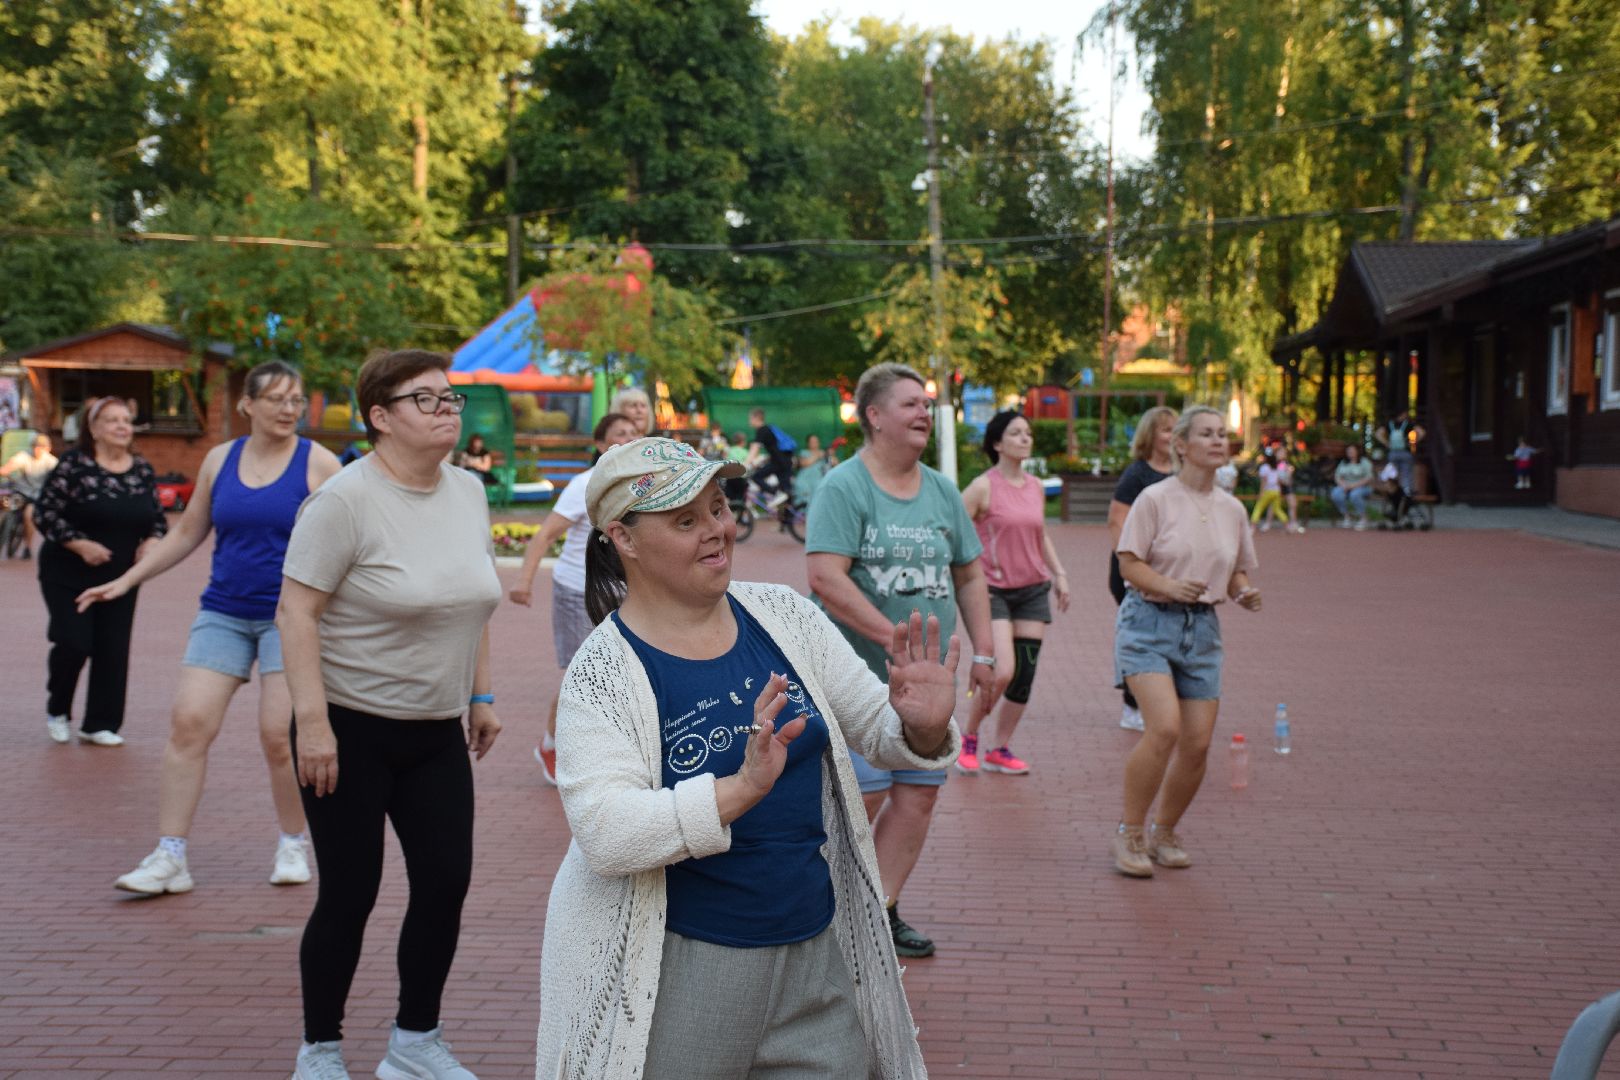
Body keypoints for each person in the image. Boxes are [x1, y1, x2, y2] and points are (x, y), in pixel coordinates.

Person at [535, 436, 960, 1079]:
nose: (717, 531)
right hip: (683, 969)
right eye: (685, 521)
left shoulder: (784, 616)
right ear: (623, 537)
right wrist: (736, 791)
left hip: (815, 955)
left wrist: (921, 727)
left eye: (718, 507)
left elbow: (875, 723)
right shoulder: (603, 673)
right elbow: (605, 832)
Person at [277, 349, 502, 1080]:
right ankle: (319, 1050)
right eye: (427, 400)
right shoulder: (344, 501)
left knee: (444, 884)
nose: (447, 411)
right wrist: (313, 724)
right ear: (380, 416)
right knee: (351, 892)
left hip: (435, 732)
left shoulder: (468, 491)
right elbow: (296, 611)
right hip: (348, 730)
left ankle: (415, 1043)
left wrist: (480, 694)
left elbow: (473, 601)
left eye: (452, 398)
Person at [76, 363, 341, 895]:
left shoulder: (320, 464)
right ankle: (170, 856)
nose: (289, 409)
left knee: (278, 736)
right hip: (223, 611)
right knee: (188, 723)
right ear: (247, 405)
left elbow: (352, 542)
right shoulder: (222, 459)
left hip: (288, 620)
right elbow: (188, 533)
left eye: (296, 399)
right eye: (277, 399)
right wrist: (127, 580)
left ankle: (293, 842)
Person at [806, 361, 994, 959]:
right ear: (874, 415)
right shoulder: (845, 486)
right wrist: (893, 641)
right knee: (862, 799)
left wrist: (986, 650)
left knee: (919, 792)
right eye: (910, 403)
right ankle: (829, 915)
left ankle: (881, 911)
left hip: (929, 684)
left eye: (926, 404)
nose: (923, 413)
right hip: (860, 680)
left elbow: (968, 573)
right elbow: (824, 576)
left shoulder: (940, 489)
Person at [1111, 405, 1262, 878]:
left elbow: (1235, 568)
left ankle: (1165, 831)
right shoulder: (1155, 499)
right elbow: (1128, 564)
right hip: (1147, 623)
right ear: (1181, 445)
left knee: (1197, 743)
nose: (1218, 441)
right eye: (1207, 434)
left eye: (1223, 434)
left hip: (1203, 630)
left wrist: (1242, 591)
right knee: (1165, 728)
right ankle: (1130, 833)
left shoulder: (1232, 508)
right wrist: (1167, 585)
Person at [508, 411, 640, 784]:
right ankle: (550, 746)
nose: (628, 439)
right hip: (577, 591)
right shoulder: (586, 483)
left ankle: (609, 751)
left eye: (634, 433)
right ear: (600, 445)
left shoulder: (639, 487)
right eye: (619, 434)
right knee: (580, 675)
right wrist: (524, 581)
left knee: (622, 671)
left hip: (622, 591)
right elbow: (546, 533)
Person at [33, 397, 167, 746]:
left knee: (112, 647)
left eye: (126, 420)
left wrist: (152, 541)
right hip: (67, 572)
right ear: (93, 429)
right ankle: (58, 709)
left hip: (121, 577)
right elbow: (44, 513)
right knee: (74, 642)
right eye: (112, 420)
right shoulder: (74, 465)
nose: (123, 426)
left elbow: (157, 520)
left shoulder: (141, 469)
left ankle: (100, 723)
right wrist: (79, 544)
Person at [957, 410, 1070, 775]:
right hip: (994, 591)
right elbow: (954, 528)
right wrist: (966, 572)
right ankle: (969, 737)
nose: (1026, 438)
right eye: (1016, 433)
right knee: (1003, 671)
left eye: (1028, 433)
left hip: (1033, 589)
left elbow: (1041, 536)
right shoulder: (982, 487)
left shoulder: (1036, 486)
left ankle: (1000, 748)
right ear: (997, 443)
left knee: (1024, 676)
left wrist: (1060, 574)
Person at [1107, 405, 1177, 732]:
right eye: (1166, 429)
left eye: (1177, 429)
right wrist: (1132, 562)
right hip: (1134, 569)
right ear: (1151, 434)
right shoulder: (1138, 473)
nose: (1172, 435)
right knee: (1140, 634)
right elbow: (1117, 519)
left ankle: (1160, 699)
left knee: (1169, 633)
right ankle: (1132, 705)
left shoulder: (1182, 473)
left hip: (1170, 568)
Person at [0, 432, 59, 558]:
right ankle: (5, 529)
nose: (38, 450)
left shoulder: (52, 462)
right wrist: (4, 471)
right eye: (35, 446)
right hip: (21, 491)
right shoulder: (24, 456)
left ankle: (27, 547)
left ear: (48, 448)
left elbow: (59, 479)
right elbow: (10, 466)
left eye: (41, 447)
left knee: (29, 515)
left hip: (37, 495)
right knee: (7, 507)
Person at [748, 406, 797, 508]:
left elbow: (755, 449)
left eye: (750, 418)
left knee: (756, 476)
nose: (749, 421)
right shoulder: (769, 429)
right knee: (786, 492)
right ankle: (789, 521)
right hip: (785, 461)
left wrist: (746, 463)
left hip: (778, 463)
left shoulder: (762, 430)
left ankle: (774, 492)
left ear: (756, 418)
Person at [1375, 408, 1425, 498]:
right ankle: (1407, 493)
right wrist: (1414, 442)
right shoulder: (1409, 424)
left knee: (1392, 474)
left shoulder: (1389, 424)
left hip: (1393, 453)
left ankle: (1393, 493)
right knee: (1406, 473)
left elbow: (1378, 434)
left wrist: (1387, 443)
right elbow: (1422, 432)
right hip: (1405, 452)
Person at [1330, 443, 1376, 528]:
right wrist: (1343, 485)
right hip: (1345, 487)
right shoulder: (1343, 462)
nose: (1350, 453)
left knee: (1355, 494)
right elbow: (1337, 476)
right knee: (1336, 493)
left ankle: (1364, 517)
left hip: (1362, 487)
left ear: (1357, 451)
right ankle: (1347, 517)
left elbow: (1369, 477)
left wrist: (1353, 486)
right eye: (1348, 451)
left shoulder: (1364, 462)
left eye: (1352, 451)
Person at [1250, 454, 1288, 532]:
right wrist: (1280, 491)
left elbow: (1264, 481)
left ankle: (1252, 526)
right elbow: (1279, 481)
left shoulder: (1264, 467)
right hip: (1276, 491)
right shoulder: (1276, 467)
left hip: (1268, 491)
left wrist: (1261, 492)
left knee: (1258, 508)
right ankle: (1286, 525)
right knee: (1277, 509)